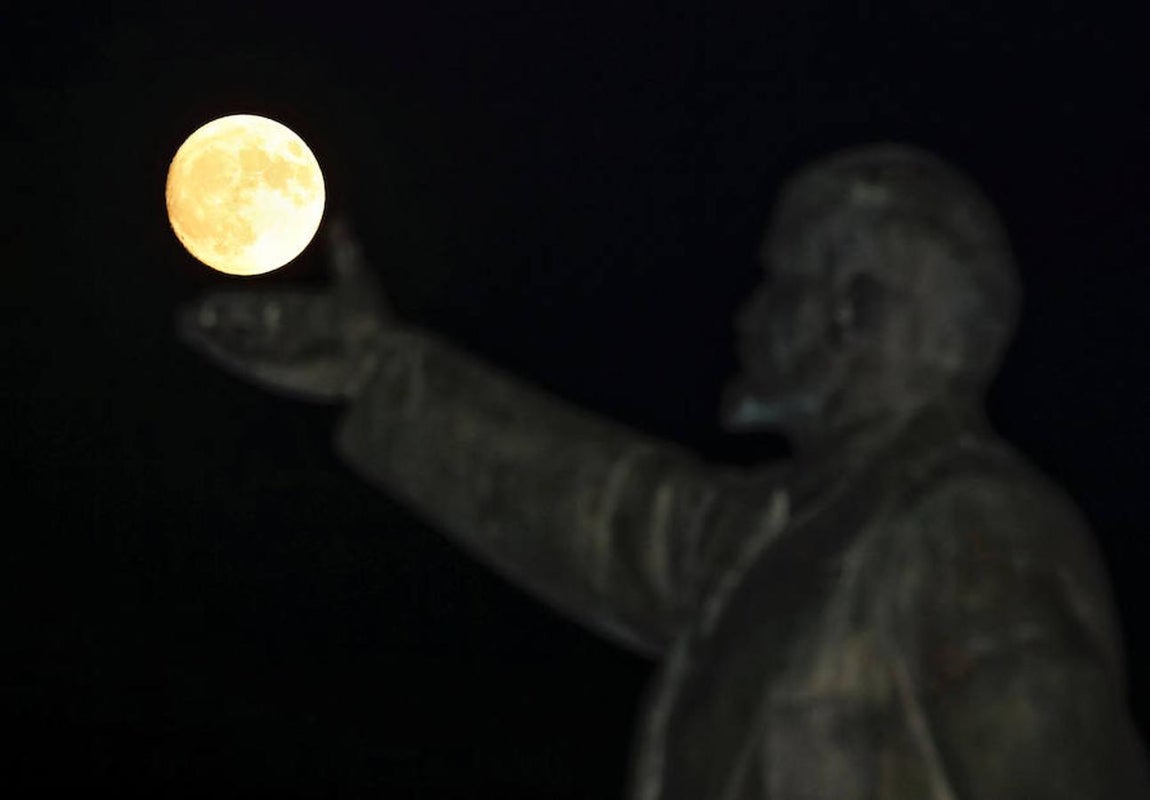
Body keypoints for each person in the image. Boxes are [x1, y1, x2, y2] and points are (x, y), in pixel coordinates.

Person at [179, 143, 1150, 798]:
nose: (746, 317)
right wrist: (379, 369)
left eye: (776, 282)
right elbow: (608, 509)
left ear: (852, 311)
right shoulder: (789, 529)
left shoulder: (971, 529)